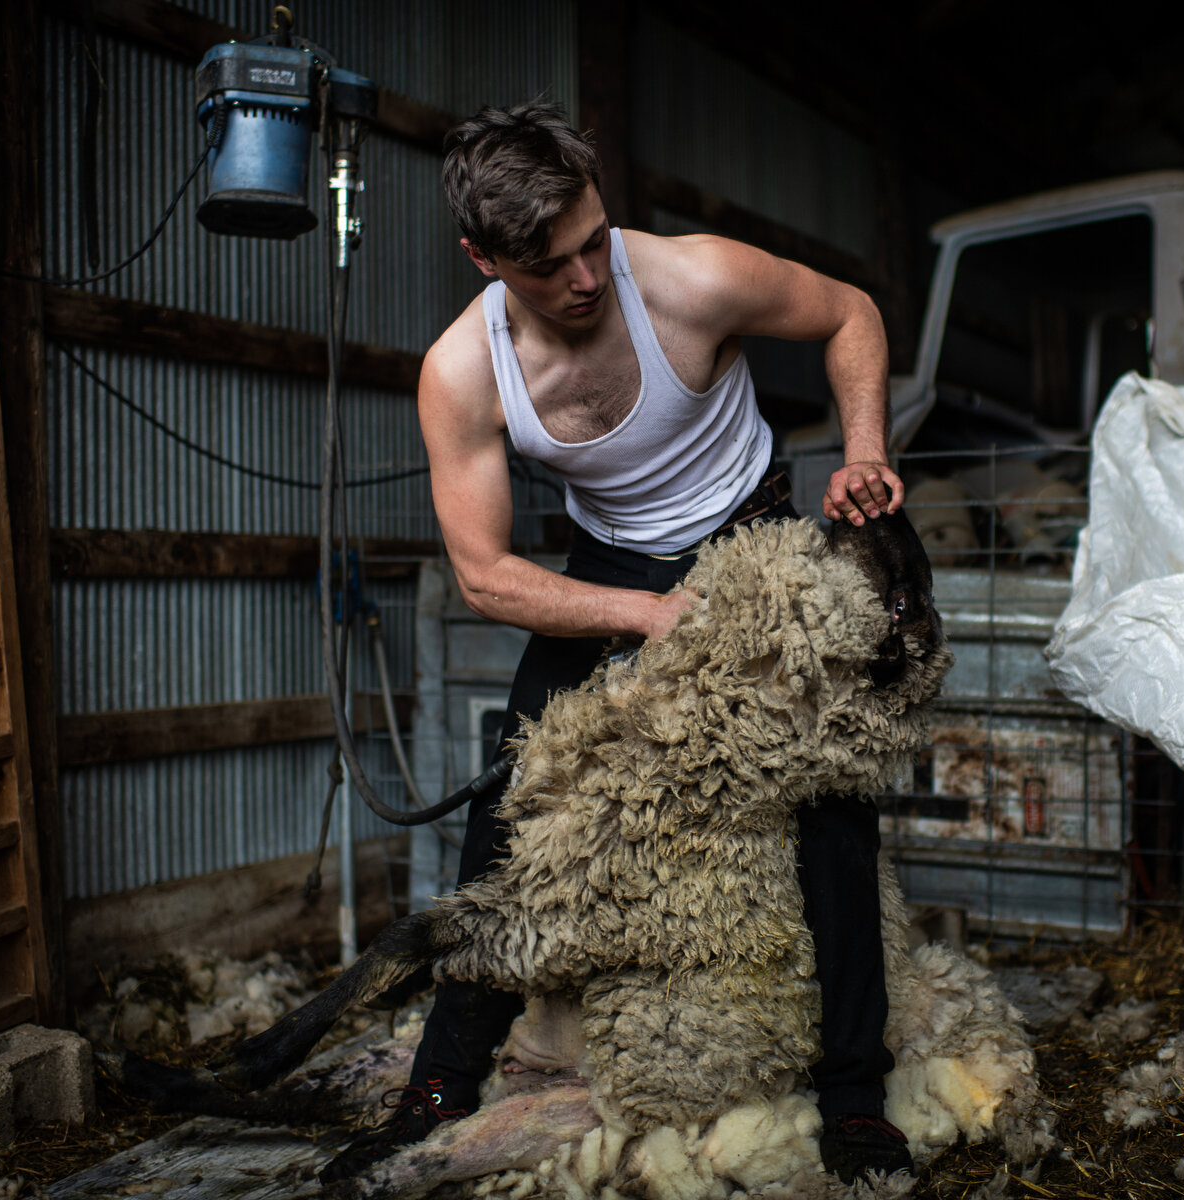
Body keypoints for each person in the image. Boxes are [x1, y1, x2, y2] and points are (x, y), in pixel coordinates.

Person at [326, 101, 911, 1185]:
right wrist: (644, 616)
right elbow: (485, 575)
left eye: (595, 240)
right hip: (614, 566)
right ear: (485, 258)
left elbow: (851, 314)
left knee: (829, 792)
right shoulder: (463, 373)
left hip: (750, 530)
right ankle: (440, 1087)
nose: (589, 278)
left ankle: (856, 1092)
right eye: (551, 265)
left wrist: (863, 450)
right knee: (517, 798)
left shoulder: (686, 279)